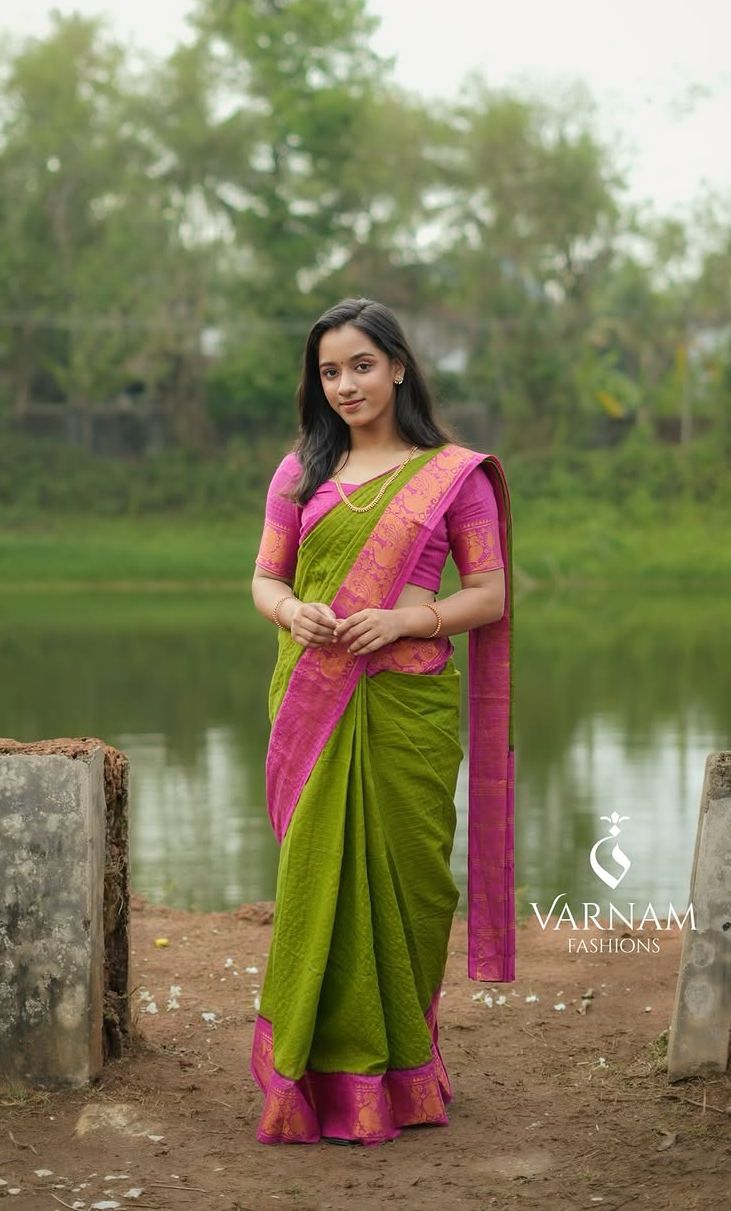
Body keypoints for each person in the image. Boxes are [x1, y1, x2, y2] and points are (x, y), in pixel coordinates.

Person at [249, 296, 514, 1146]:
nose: (346, 384)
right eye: (329, 371)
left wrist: (405, 619)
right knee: (315, 883)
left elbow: (491, 594)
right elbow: (263, 580)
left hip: (408, 706)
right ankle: (312, 1081)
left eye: (361, 364)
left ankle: (401, 1075)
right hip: (314, 698)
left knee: (411, 885)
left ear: (399, 366)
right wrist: (294, 613)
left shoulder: (454, 476)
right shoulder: (300, 473)